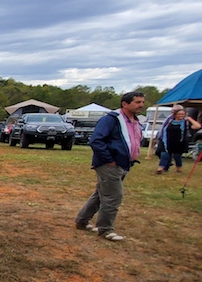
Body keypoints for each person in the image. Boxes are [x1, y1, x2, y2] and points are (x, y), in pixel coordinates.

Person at [75, 91, 145, 241]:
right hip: (110, 165)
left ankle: (82, 221)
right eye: (137, 102)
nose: (141, 105)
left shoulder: (135, 121)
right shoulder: (111, 120)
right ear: (125, 104)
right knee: (113, 196)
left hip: (124, 164)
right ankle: (105, 229)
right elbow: (96, 140)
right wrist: (109, 159)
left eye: (142, 102)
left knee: (101, 194)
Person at [156, 108, 201, 174]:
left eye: (183, 114)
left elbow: (198, 126)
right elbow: (163, 129)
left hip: (180, 142)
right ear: (175, 115)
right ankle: (160, 169)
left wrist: (189, 118)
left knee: (177, 156)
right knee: (164, 155)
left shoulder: (186, 122)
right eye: (179, 114)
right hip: (168, 141)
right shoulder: (169, 121)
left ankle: (178, 169)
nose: (181, 115)